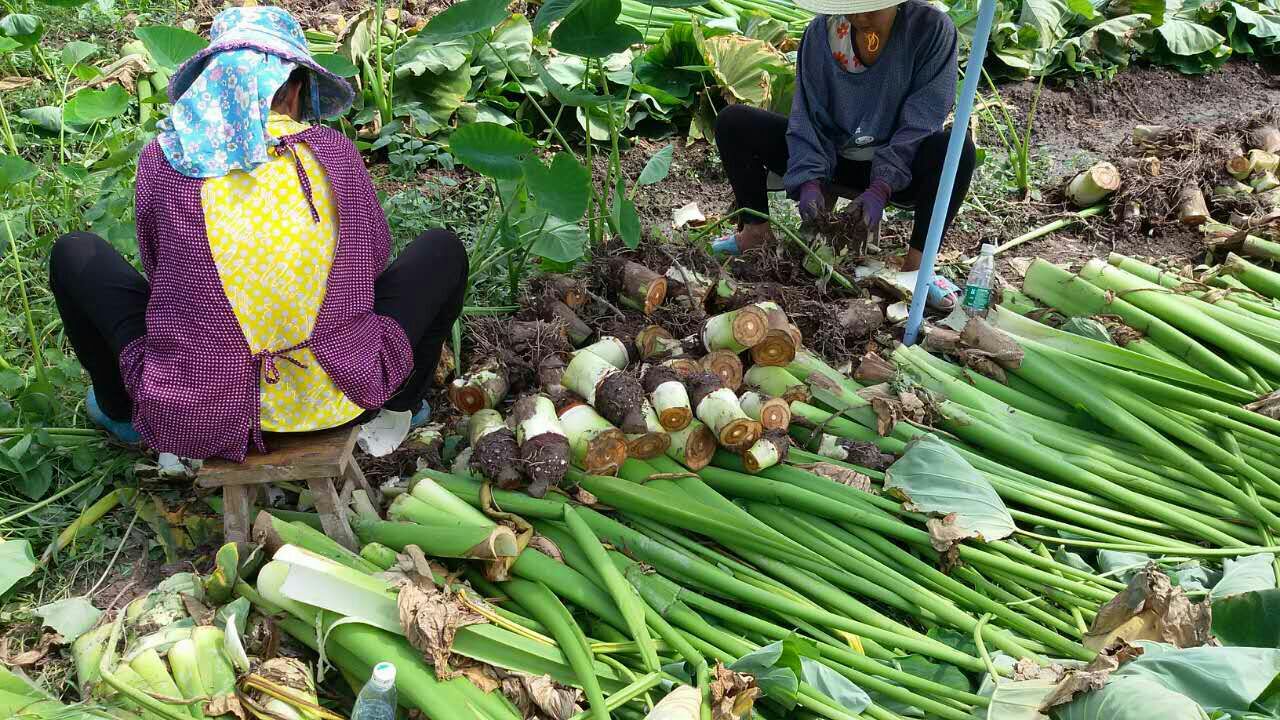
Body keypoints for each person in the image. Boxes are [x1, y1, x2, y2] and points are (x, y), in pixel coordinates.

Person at [48, 7, 467, 461]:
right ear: (295, 87)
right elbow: (372, 257)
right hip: (344, 393)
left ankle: (121, 411)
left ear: (213, 83)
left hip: (202, 409)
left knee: (76, 253)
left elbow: (159, 267)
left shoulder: (168, 158)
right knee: (442, 251)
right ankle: (401, 404)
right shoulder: (334, 152)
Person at [712, 0, 975, 309]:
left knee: (957, 149)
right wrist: (809, 179)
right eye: (852, 5)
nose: (860, 17)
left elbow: (921, 120)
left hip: (900, 165)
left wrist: (881, 186)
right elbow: (807, 116)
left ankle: (917, 268)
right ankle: (755, 234)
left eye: (871, 7)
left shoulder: (930, 30)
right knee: (735, 122)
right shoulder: (822, 34)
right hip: (834, 159)